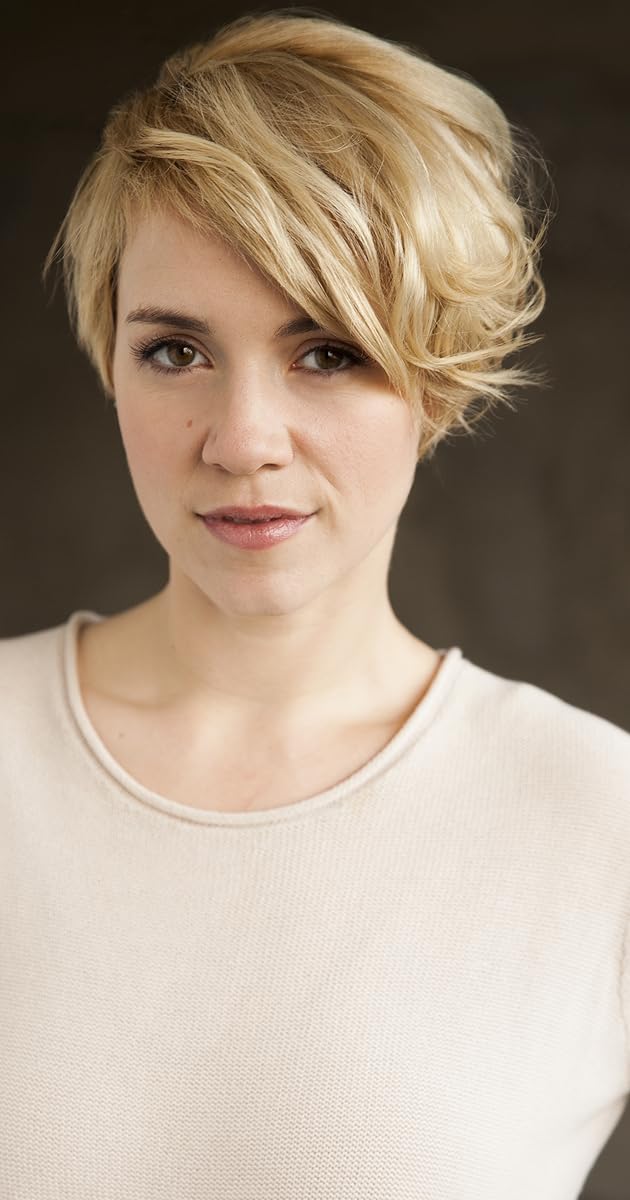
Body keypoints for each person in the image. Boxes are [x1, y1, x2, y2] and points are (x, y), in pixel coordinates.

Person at [1, 9, 629, 1199]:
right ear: (110, 360)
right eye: (176, 351)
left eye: (330, 351)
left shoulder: (600, 825)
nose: (244, 440)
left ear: (436, 381)